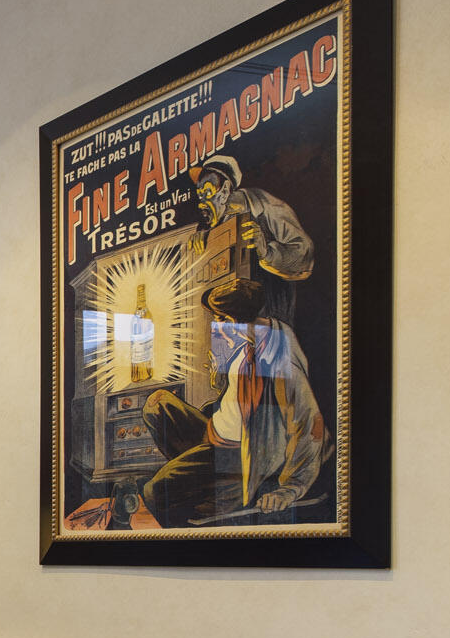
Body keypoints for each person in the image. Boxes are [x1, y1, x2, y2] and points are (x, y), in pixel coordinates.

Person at [137, 156, 331, 525]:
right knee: (157, 404)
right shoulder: (232, 340)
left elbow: (309, 424)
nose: (203, 196)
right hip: (219, 429)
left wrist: (289, 488)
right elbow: (232, 390)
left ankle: (220, 492)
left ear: (227, 186)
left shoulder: (262, 207)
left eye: (209, 188)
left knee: (155, 492)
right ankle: (202, 484)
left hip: (237, 453)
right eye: (200, 190)